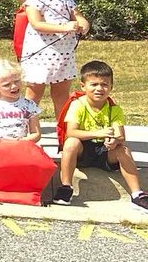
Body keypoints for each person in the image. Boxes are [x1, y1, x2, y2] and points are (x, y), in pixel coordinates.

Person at [55, 60, 148, 210]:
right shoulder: (78, 104)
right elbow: (71, 132)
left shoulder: (114, 109)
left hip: (104, 151)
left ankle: (137, 194)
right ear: (83, 86)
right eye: (94, 84)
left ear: (111, 87)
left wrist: (114, 141)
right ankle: (66, 187)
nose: (99, 88)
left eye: (105, 84)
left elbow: (121, 136)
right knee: (71, 142)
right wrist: (98, 133)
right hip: (82, 151)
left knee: (123, 150)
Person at [19, 0, 89, 119]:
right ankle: (25, 128)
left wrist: (82, 25)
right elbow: (37, 24)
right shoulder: (35, 1)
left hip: (63, 57)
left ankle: (63, 133)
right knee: (34, 94)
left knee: (62, 96)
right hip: (40, 57)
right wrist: (64, 27)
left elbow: (79, 17)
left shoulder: (68, 2)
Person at [0, 58, 41, 147]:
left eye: (17, 81)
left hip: (20, 146)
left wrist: (25, 140)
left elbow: (36, 134)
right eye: (7, 85)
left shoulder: (29, 105)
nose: (14, 86)